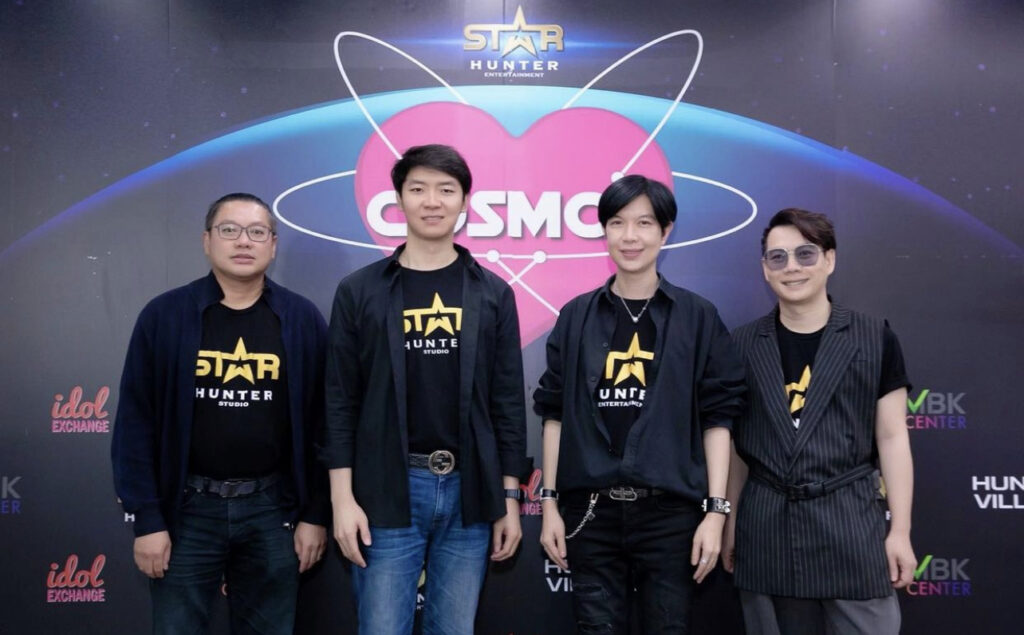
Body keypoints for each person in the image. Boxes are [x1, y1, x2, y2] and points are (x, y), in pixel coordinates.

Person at [321, 144, 530, 634]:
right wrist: (342, 500)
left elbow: (507, 404)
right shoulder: (359, 291)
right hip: (385, 490)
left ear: (465, 201)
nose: (432, 201)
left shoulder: (493, 293)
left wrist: (509, 500)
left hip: (470, 495)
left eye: (445, 190)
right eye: (418, 189)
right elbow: (339, 401)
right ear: (398, 199)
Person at [534, 174, 746, 634]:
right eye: (617, 223)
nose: (630, 236)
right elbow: (554, 414)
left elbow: (717, 420)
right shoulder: (576, 316)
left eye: (644, 223)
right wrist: (549, 505)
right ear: (604, 231)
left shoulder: (697, 316)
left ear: (665, 231)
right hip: (590, 512)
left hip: (671, 516)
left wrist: (715, 511)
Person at [111, 193, 329, 634]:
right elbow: (135, 424)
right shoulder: (164, 315)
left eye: (257, 232)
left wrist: (316, 515)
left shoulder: (302, 319)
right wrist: (147, 520)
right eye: (229, 230)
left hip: (273, 510)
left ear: (273, 245)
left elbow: (325, 425)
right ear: (207, 241)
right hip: (186, 511)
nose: (243, 241)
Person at [723, 208, 917, 635]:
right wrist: (731, 520)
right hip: (766, 531)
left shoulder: (874, 337)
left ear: (829, 259)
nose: (791, 267)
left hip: (851, 527)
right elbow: (737, 448)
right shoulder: (740, 345)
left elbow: (892, 438)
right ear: (765, 269)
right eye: (778, 257)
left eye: (805, 254)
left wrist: (900, 531)